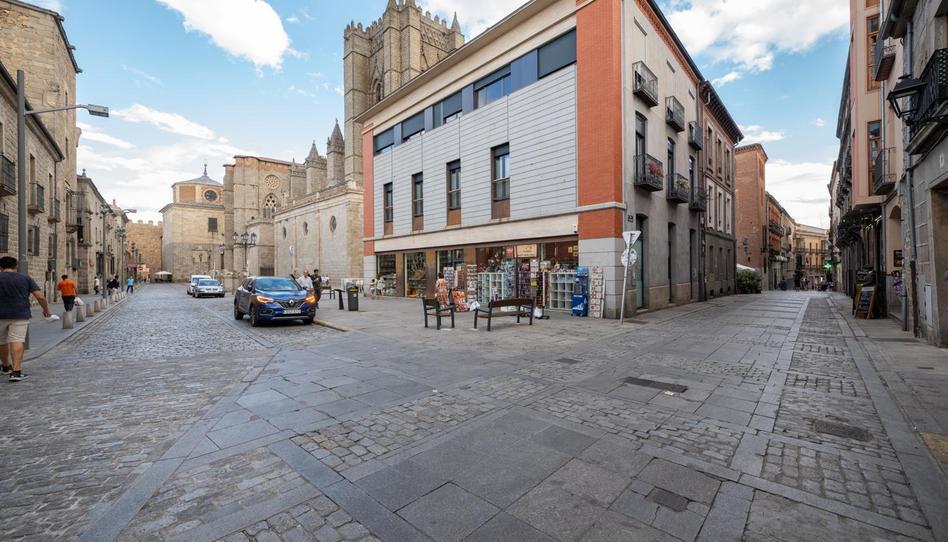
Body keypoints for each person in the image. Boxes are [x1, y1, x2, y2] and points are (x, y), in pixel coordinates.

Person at [0, 256, 51, 382]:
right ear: (16, 266)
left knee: (1, 341)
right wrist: (46, 310)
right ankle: (16, 372)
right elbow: (40, 297)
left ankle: (5, 367)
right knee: (17, 340)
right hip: (20, 314)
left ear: (1, 267)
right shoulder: (25, 278)